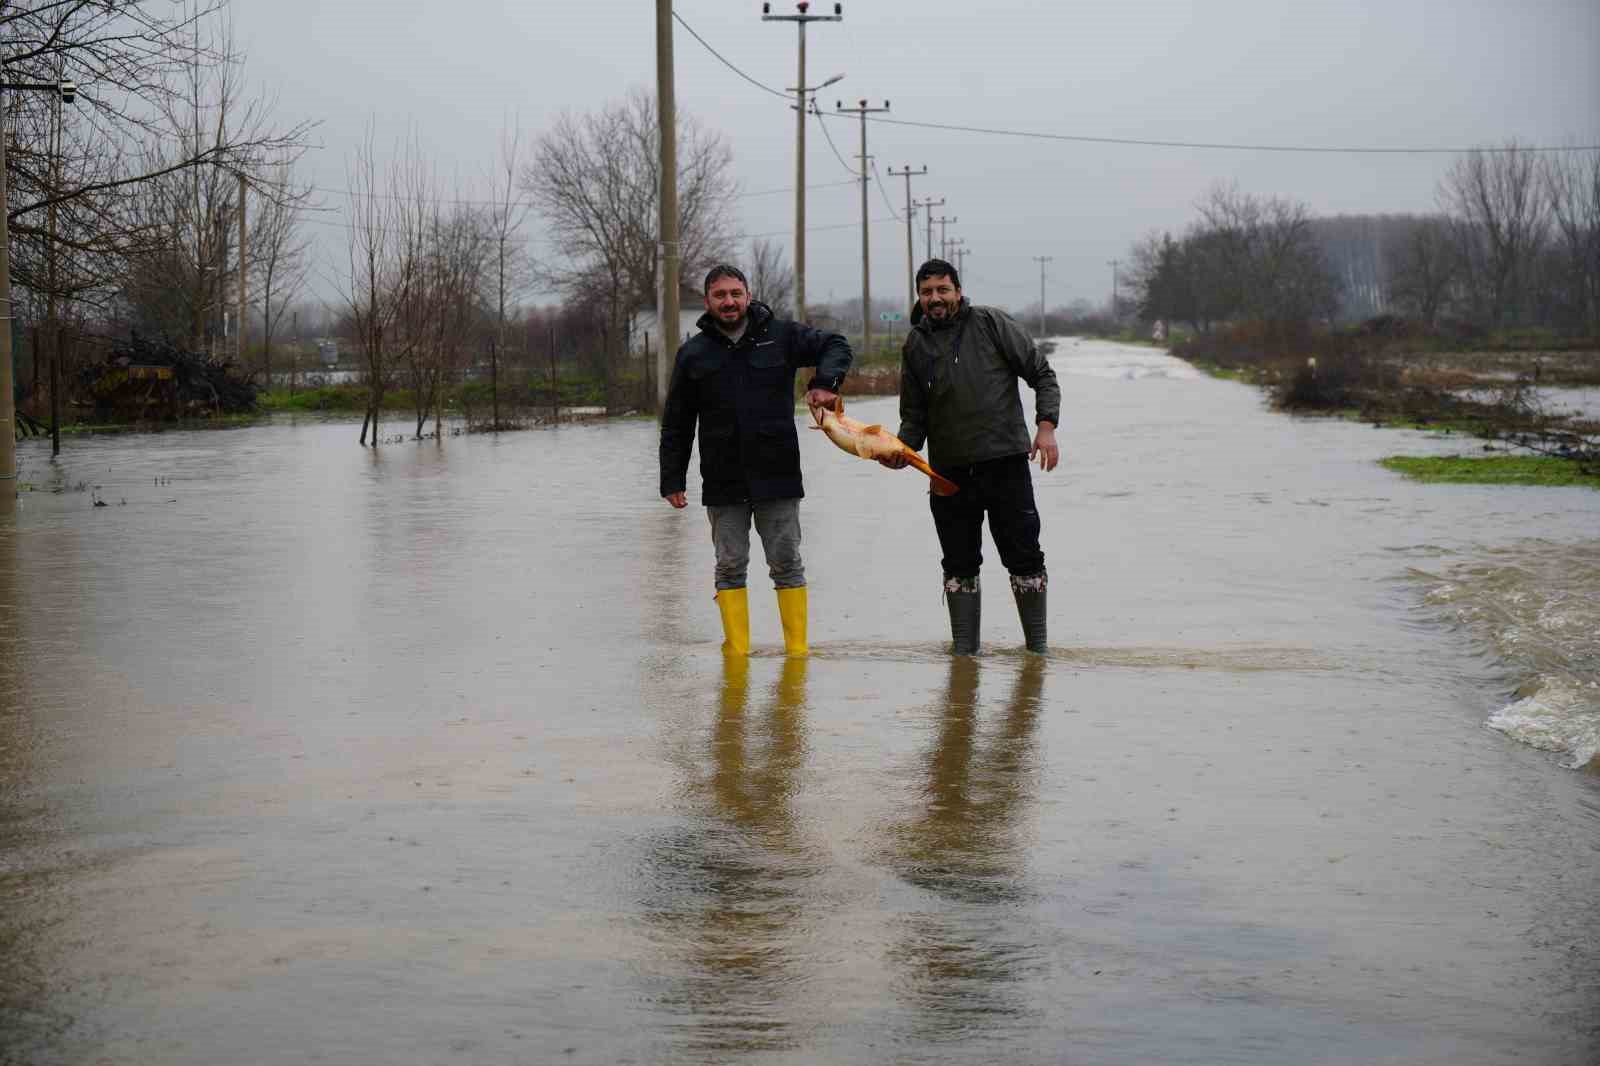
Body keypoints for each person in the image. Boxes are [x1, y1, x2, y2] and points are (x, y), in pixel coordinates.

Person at [660, 265, 853, 657]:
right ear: (708, 301)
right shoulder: (693, 353)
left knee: (786, 563)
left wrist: (823, 384)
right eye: (719, 295)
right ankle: (737, 657)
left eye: (735, 293)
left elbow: (837, 344)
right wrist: (672, 479)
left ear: (748, 295)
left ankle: (797, 656)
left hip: (777, 474)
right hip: (722, 480)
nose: (728, 301)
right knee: (729, 566)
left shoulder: (781, 336)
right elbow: (677, 422)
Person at [878, 259, 1060, 655]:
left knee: (1025, 556)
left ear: (958, 291)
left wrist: (1046, 427)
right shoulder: (915, 345)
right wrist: (900, 451)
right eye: (927, 292)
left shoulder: (991, 324)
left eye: (943, 289)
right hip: (948, 474)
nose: (935, 298)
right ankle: (964, 658)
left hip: (1006, 464)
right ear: (919, 297)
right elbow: (914, 416)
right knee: (958, 565)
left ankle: (1038, 653)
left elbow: (1041, 373)